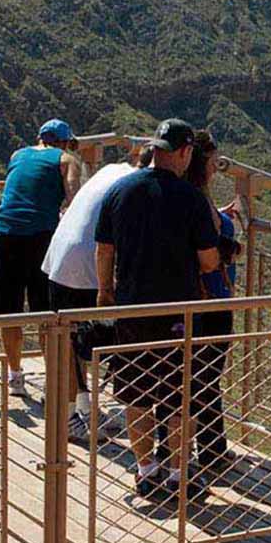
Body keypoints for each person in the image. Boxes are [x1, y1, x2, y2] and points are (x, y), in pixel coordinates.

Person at [94, 119, 219, 501]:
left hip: (131, 307)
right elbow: (210, 261)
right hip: (179, 312)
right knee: (182, 396)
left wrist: (105, 291)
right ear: (184, 152)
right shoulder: (191, 198)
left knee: (136, 393)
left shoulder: (119, 190)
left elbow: (104, 249)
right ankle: (179, 474)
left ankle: (146, 469)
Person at [42, 139, 152, 441]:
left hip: (60, 258)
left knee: (69, 339)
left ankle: (83, 410)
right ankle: (67, 419)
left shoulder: (113, 170)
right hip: (85, 267)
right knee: (77, 340)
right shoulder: (135, 187)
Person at [0, 119, 82, 397]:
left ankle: (15, 375)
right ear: (66, 142)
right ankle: (52, 379)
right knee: (46, 311)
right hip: (41, 236)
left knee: (9, 309)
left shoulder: (17, 154)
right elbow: (73, 199)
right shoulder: (66, 159)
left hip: (6, 233)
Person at [184, 130, 241, 479]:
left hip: (190, 298)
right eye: (213, 162)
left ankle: (200, 449)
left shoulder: (186, 196)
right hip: (210, 298)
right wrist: (231, 248)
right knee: (206, 376)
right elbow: (207, 251)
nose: (216, 170)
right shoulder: (196, 199)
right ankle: (210, 451)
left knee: (193, 376)